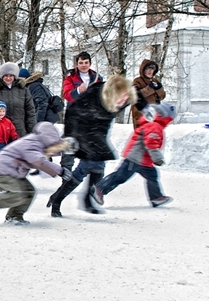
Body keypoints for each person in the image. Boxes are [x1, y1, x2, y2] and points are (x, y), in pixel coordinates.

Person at [47, 74, 135, 217]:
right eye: (121, 97)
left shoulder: (123, 97)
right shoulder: (93, 96)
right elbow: (72, 113)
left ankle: (83, 200)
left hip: (98, 134)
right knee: (88, 167)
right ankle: (58, 200)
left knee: (96, 168)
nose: (123, 101)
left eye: (126, 98)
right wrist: (71, 139)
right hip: (82, 132)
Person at [0, 122, 73, 225]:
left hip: (13, 170)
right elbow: (39, 161)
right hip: (4, 170)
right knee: (18, 194)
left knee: (28, 191)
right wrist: (60, 171)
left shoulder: (38, 142)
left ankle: (15, 217)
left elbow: (39, 160)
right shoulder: (32, 143)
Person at [91, 103, 176, 208]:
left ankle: (156, 197)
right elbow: (151, 144)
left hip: (143, 160)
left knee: (152, 176)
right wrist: (157, 158)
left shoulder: (153, 125)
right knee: (120, 176)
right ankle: (99, 189)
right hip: (135, 158)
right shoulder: (155, 126)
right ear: (166, 116)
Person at [60, 52, 103, 172]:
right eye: (81, 63)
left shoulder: (97, 78)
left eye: (86, 63)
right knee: (69, 144)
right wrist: (78, 90)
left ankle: (91, 176)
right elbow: (67, 95)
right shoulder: (70, 77)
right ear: (76, 64)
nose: (83, 65)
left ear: (90, 64)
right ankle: (66, 172)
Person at [0, 62, 36, 139]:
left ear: (15, 76)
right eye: (6, 75)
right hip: (1, 131)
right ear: (2, 77)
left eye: (11, 75)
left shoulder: (23, 90)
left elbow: (30, 111)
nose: (8, 78)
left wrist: (31, 130)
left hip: (19, 130)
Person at [131, 59, 166, 126]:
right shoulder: (137, 81)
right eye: (148, 68)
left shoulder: (155, 81)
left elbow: (162, 96)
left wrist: (159, 89)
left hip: (155, 115)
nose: (150, 71)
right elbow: (135, 96)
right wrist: (149, 88)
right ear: (143, 70)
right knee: (142, 135)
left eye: (152, 68)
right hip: (141, 115)